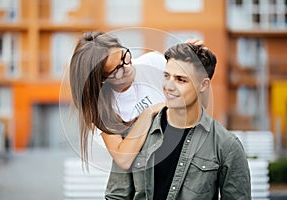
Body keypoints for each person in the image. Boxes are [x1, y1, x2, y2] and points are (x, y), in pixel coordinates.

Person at [105, 42, 251, 199]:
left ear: (203, 85)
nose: (169, 86)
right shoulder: (136, 134)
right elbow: (116, 197)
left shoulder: (226, 146)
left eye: (181, 80)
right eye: (166, 76)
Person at [69, 31, 205, 170]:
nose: (127, 67)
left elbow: (194, 96)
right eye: (117, 70)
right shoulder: (103, 107)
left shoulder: (153, 62)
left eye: (124, 56)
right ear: (102, 80)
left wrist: (191, 62)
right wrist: (147, 114)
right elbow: (123, 159)